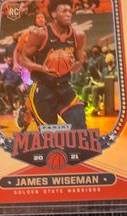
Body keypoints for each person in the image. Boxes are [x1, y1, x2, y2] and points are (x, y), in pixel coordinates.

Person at [19, 0, 87, 129]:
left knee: (80, 127)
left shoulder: (79, 35)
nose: (69, 14)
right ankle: (28, 109)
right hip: (42, 88)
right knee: (50, 135)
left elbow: (78, 65)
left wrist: (74, 64)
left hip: (64, 88)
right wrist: (42, 68)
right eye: (64, 11)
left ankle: (28, 108)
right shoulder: (40, 33)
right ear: (54, 14)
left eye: (70, 11)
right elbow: (22, 58)